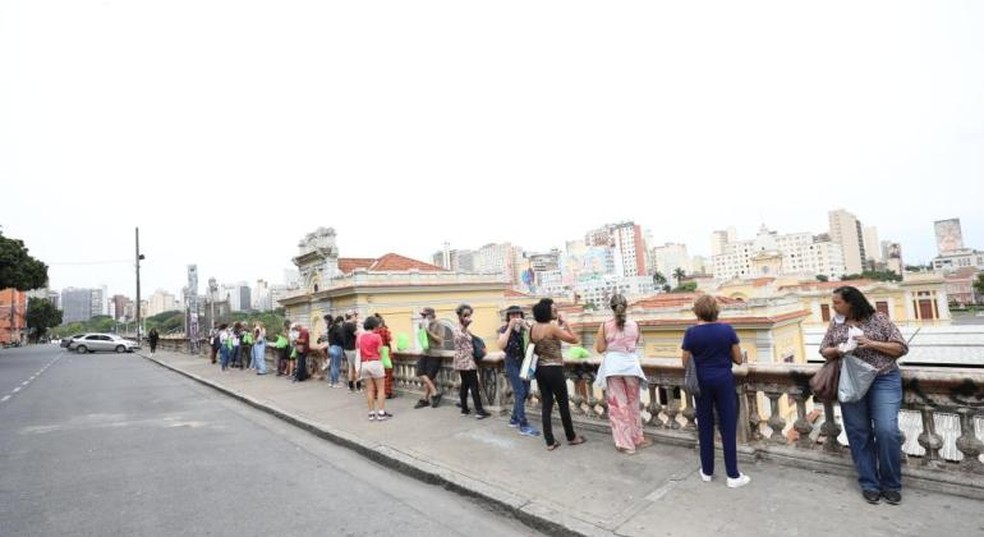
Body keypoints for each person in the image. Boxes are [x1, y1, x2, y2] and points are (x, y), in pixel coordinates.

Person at [820, 286, 908, 505]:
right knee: (859, 433)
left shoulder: (879, 319)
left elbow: (901, 347)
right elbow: (824, 350)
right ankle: (869, 483)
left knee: (886, 430)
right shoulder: (836, 323)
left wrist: (870, 343)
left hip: (883, 379)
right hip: (851, 381)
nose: (834, 306)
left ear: (852, 302)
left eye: (837, 302)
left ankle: (891, 484)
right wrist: (840, 349)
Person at [681, 295, 750, 488]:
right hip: (723, 380)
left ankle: (707, 471)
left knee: (705, 425)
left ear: (697, 312)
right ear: (716, 311)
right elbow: (737, 359)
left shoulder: (691, 333)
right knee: (727, 426)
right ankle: (733, 475)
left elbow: (685, 361)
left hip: (702, 382)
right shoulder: (726, 330)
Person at [594, 294, 651, 455]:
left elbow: (599, 348)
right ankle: (637, 438)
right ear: (626, 306)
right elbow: (637, 342)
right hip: (631, 367)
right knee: (633, 404)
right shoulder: (635, 325)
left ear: (611, 308)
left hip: (614, 367)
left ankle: (626, 444)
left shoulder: (605, 325)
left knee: (618, 406)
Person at [530, 298, 585, 451]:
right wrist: (566, 324)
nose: (556, 312)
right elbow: (575, 339)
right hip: (554, 369)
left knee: (546, 404)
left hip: (540, 369)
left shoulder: (533, 328)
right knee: (563, 403)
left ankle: (549, 441)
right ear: (547, 312)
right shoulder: (551, 328)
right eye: (554, 310)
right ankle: (571, 436)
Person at [496, 305, 539, 437]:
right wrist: (510, 327)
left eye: (518, 315)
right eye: (512, 315)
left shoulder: (526, 328)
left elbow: (536, 338)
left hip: (525, 362)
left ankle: (514, 418)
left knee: (525, 391)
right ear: (508, 317)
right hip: (512, 362)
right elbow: (501, 345)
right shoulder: (503, 329)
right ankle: (522, 424)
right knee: (520, 391)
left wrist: (525, 326)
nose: (515, 317)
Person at [453, 304, 489, 419]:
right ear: (459, 315)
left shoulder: (464, 328)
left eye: (469, 315)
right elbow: (459, 337)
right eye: (465, 315)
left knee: (465, 384)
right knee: (473, 385)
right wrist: (465, 326)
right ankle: (479, 411)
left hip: (464, 360)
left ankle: (464, 408)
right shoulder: (458, 328)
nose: (467, 317)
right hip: (466, 360)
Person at [358, 315, 390, 421]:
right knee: (381, 389)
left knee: (369, 390)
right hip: (375, 363)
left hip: (364, 364)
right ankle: (381, 413)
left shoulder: (360, 337)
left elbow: (359, 350)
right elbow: (380, 350)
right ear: (374, 326)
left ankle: (371, 413)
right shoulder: (377, 336)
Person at [414, 307, 444, 409]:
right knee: (420, 372)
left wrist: (428, 332)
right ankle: (435, 393)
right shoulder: (423, 324)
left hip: (435, 353)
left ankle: (425, 399)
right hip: (425, 352)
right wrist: (422, 329)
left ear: (431, 315)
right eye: (422, 315)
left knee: (430, 377)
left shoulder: (438, 324)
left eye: (424, 315)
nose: (422, 317)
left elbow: (440, 340)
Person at [373, 314, 395, 399]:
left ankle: (376, 393)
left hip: (376, 355)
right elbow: (390, 339)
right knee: (387, 375)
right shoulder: (384, 330)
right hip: (385, 354)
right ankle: (387, 393)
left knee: (377, 376)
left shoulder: (373, 332)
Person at [342, 311, 363, 393]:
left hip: (347, 349)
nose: (356, 317)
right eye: (355, 315)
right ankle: (358, 387)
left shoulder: (344, 324)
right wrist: (361, 327)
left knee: (351, 367)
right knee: (357, 368)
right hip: (353, 349)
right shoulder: (350, 325)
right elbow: (358, 334)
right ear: (351, 316)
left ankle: (351, 386)